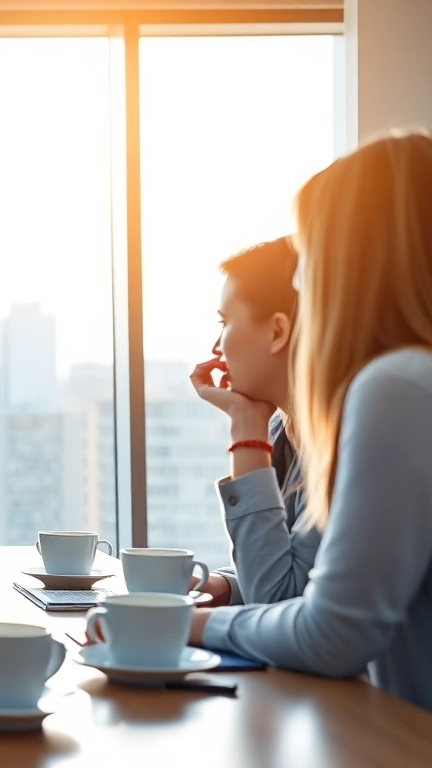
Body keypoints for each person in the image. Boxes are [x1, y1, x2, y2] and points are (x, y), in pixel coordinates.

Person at [190, 131, 432, 712]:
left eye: (314, 254)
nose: (300, 281)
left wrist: (186, 629)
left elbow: (330, 633)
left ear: (353, 263)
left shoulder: (396, 385)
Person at [189, 238, 320, 607]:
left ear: (278, 331)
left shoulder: (344, 443)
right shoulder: (284, 431)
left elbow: (278, 599)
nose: (217, 347)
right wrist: (223, 586)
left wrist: (246, 430)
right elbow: (297, 577)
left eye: (225, 322)